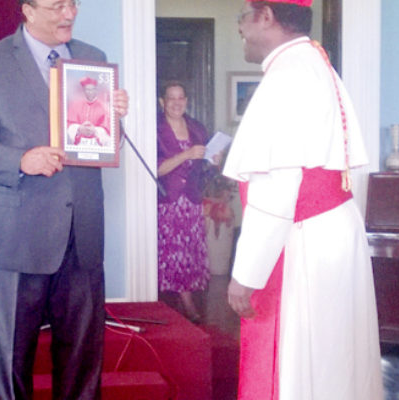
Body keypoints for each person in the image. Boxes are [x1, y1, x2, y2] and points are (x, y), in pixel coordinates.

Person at [0, 0, 128, 399]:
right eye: (57, 5)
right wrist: (19, 160)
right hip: (14, 234)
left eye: (73, 3)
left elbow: (99, 143)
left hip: (81, 233)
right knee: (12, 359)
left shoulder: (92, 58)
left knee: (82, 359)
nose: (69, 13)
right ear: (27, 10)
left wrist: (115, 118)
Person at [223, 1, 384, 399]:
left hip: (306, 240)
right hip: (330, 229)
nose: (240, 27)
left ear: (266, 16)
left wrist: (246, 276)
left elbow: (275, 188)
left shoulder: (287, 75)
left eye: (243, 16)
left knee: (307, 365)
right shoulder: (313, 62)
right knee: (335, 362)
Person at [157, 81, 211, 323]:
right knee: (173, 252)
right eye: (171, 98)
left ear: (187, 101)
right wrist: (187, 154)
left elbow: (203, 168)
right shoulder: (155, 129)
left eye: (181, 98)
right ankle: (185, 302)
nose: (177, 103)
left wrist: (212, 158)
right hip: (168, 201)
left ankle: (182, 297)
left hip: (191, 200)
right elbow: (156, 169)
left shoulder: (197, 128)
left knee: (189, 253)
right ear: (163, 102)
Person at [67, 76, 111, 147]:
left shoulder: (104, 107)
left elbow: (107, 130)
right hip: (78, 146)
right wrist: (79, 128)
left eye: (92, 89)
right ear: (84, 91)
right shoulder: (75, 105)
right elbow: (68, 126)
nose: (90, 92)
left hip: (97, 146)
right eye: (87, 90)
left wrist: (95, 130)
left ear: (96, 90)